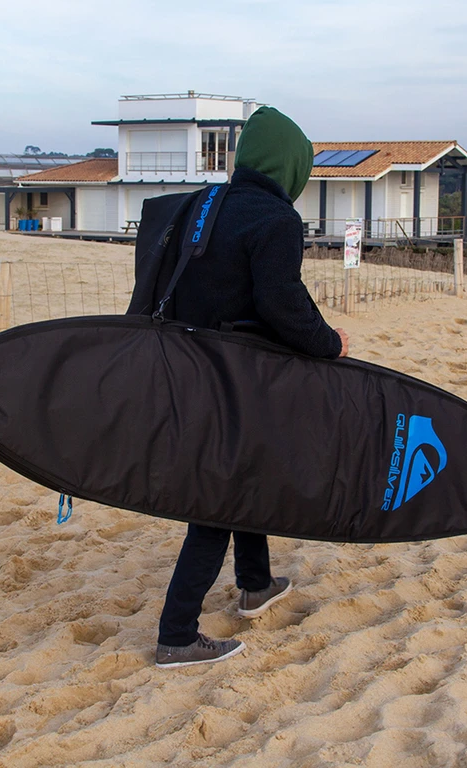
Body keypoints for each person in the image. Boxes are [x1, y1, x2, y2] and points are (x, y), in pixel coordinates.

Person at [155, 106, 349, 669]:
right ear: (290, 166)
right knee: (218, 502)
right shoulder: (275, 218)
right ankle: (176, 635)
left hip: (188, 367)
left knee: (246, 477)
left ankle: (256, 584)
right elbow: (282, 303)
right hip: (241, 377)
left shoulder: (203, 204)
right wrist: (329, 344)